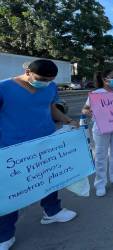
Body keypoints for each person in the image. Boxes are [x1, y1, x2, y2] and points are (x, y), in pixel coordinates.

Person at [0, 60, 77, 249]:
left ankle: (52, 211)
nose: (45, 83)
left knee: (50, 178)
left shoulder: (49, 87)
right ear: (27, 71)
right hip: (13, 148)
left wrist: (68, 120)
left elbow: (50, 108)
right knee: (11, 191)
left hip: (46, 143)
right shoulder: (4, 88)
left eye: (50, 80)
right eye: (42, 79)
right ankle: (5, 234)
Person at [82, 70, 113, 197]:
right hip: (101, 129)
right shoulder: (96, 94)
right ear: (104, 79)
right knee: (101, 156)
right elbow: (85, 109)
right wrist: (94, 114)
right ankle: (100, 184)